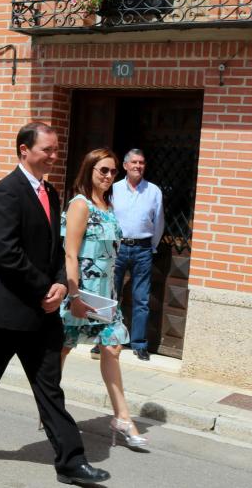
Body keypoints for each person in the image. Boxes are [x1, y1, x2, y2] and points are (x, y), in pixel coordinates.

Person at [0, 122, 111, 486]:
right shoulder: (6, 192)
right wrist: (44, 289)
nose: (53, 156)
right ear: (23, 150)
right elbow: (7, 253)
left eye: (55, 149)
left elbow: (54, 249)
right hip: (8, 310)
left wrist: (62, 284)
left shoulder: (50, 192)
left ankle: (70, 460)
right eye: (46, 149)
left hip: (44, 311)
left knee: (49, 386)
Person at [60, 148, 147, 450]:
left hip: (105, 297)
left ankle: (122, 418)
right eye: (103, 171)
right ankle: (51, 409)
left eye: (113, 172)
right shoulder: (80, 205)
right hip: (80, 293)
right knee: (62, 351)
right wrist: (72, 296)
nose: (109, 177)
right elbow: (70, 252)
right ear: (89, 171)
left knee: (112, 347)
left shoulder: (107, 206)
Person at [112, 148, 164, 361]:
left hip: (143, 248)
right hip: (117, 247)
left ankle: (139, 343)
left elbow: (159, 222)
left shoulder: (153, 191)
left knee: (141, 298)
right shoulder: (114, 189)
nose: (138, 166)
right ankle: (106, 340)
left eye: (141, 162)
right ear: (125, 166)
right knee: (110, 296)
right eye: (134, 162)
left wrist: (151, 246)